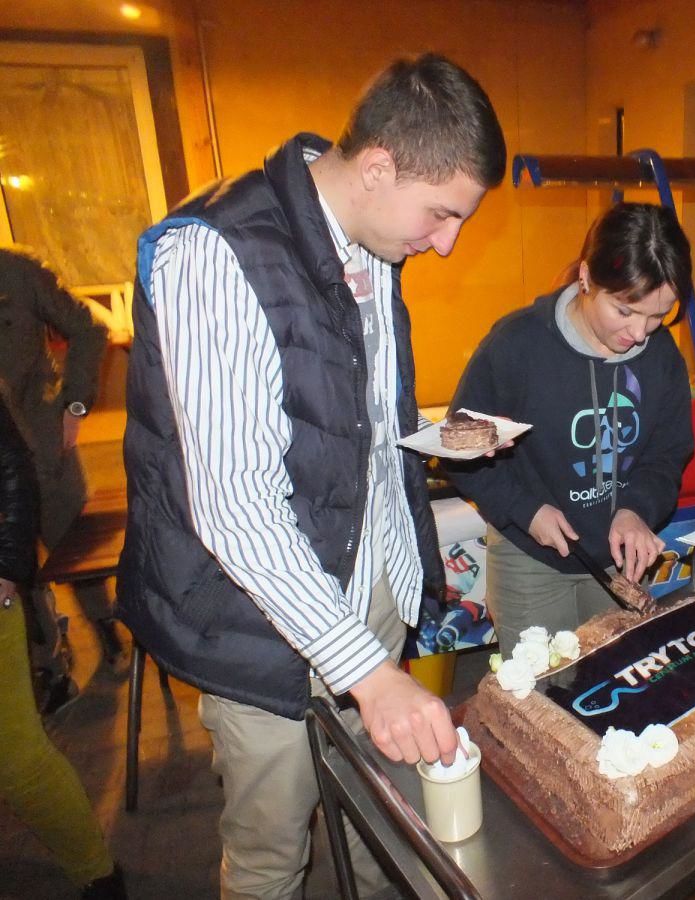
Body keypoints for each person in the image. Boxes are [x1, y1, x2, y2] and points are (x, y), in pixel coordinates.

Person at [115, 54, 505, 899]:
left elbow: (352, 419)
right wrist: (369, 674)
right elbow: (236, 508)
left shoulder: (372, 234)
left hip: (372, 585)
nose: (447, 243)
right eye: (442, 213)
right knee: (271, 855)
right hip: (258, 618)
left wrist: (428, 450)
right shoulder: (214, 255)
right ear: (379, 167)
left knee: (380, 813)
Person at [446, 202, 694, 652]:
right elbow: (459, 449)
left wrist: (636, 509)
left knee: (619, 678)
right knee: (540, 687)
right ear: (585, 278)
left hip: (620, 561)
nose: (640, 333)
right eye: (624, 311)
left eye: (659, 315)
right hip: (531, 559)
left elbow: (668, 452)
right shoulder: (518, 345)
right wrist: (527, 510)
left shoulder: (661, 356)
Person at [0, 396, 126, 898]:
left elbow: (12, 464)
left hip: (53, 470)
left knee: (19, 759)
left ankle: (97, 874)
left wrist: (9, 565)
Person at [0, 246, 117, 709]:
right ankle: (49, 667)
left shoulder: (17, 273)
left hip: (43, 447)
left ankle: (109, 634)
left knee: (75, 550)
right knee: (15, 575)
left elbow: (89, 328)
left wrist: (75, 405)